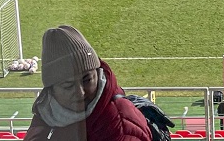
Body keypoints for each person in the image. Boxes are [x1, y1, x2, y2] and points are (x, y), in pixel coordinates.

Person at [22, 25, 152, 141]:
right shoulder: (47, 114)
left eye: (87, 80)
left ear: (98, 73)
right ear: (51, 90)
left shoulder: (122, 128)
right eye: (68, 85)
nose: (80, 92)